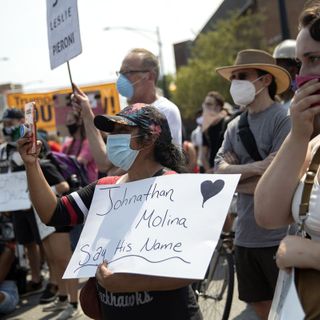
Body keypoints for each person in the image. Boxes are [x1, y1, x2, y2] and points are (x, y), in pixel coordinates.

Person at [17, 103, 202, 320]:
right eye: (112, 131)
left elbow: (190, 270)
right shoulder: (106, 187)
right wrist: (32, 165)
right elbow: (53, 214)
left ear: (150, 138)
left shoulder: (173, 187)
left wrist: (127, 283)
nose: (113, 138)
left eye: (123, 131)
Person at [214, 49, 292, 319]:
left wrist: (238, 176)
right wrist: (258, 168)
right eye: (233, 77)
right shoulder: (234, 126)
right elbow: (219, 172)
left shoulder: (282, 119)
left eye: (242, 76)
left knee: (286, 308)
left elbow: (284, 172)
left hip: (277, 236)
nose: (235, 82)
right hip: (245, 235)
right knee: (259, 305)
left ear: (265, 80)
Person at [255, 0, 320, 303]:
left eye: (314, 59)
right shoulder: (313, 145)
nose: (301, 77)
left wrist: (311, 253)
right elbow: (267, 213)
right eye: (299, 63)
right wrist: (298, 134)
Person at [72, 48, 182, 176]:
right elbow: (104, 162)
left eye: (128, 72)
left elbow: (143, 166)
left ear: (150, 76)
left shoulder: (164, 111)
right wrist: (86, 113)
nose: (121, 79)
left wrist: (112, 174)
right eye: (121, 73)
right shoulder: (127, 115)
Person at [0, 108, 44, 296]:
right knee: (27, 241)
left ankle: (55, 281)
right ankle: (35, 278)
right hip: (14, 204)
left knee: (44, 241)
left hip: (34, 200)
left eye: (10, 123)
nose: (6, 128)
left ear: (20, 121)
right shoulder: (3, 150)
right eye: (5, 125)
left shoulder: (34, 142)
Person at [200, 91, 228, 173]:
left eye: (209, 104)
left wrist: (218, 170)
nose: (205, 107)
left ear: (218, 107)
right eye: (205, 104)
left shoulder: (228, 123)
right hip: (212, 171)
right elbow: (203, 155)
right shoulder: (206, 127)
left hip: (226, 170)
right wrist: (209, 170)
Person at [273, 39, 301, 111]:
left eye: (278, 68)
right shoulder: (280, 107)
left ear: (293, 70)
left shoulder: (301, 105)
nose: (273, 73)